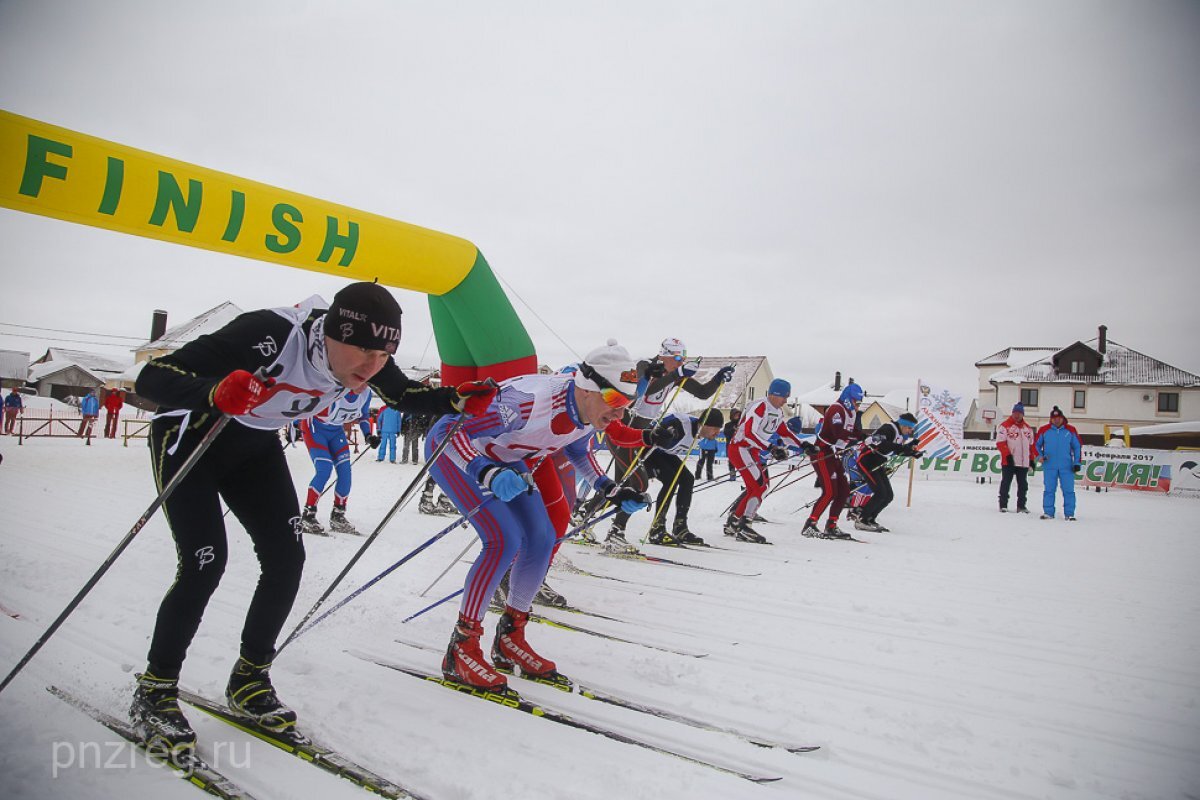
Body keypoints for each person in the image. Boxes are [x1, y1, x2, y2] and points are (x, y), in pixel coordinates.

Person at [128, 281, 496, 755]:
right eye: (363, 351)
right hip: (193, 435)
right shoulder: (269, 332)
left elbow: (401, 394)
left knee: (286, 560)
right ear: (330, 333)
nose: (372, 366)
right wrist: (214, 391)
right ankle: (155, 690)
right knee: (205, 563)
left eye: (384, 355)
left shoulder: (367, 360)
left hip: (253, 445)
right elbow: (151, 378)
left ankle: (250, 678)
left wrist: (455, 400)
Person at [426, 340, 675, 691]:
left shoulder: (588, 412)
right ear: (590, 387)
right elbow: (444, 432)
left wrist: (610, 490)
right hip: (459, 456)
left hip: (504, 458)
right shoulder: (524, 405)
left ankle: (510, 637)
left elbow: (577, 451)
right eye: (616, 401)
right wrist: (486, 472)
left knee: (543, 538)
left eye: (628, 404)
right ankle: (461, 647)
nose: (621, 414)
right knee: (503, 540)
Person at [600, 339, 733, 553]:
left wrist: (718, 378)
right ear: (664, 355)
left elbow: (702, 393)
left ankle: (584, 513)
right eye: (678, 358)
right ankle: (614, 532)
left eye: (684, 359)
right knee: (636, 484)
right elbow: (647, 390)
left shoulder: (675, 374)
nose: (681, 362)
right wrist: (677, 374)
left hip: (641, 433)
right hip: (624, 429)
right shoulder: (645, 365)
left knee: (620, 485)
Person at [725, 379, 811, 543]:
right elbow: (749, 433)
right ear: (774, 394)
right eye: (784, 396)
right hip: (740, 448)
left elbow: (784, 432)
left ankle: (735, 521)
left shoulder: (777, 412)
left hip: (751, 451)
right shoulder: (760, 406)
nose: (786, 401)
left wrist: (803, 445)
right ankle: (744, 525)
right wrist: (771, 448)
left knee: (756, 487)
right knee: (759, 486)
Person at [298, 388, 379, 535]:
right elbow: (305, 401)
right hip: (315, 428)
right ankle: (308, 515)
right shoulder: (335, 388)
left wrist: (368, 435)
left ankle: (338, 515)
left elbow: (364, 415)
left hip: (336, 431)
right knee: (324, 469)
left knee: (345, 473)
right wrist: (294, 423)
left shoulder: (365, 393)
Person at [646, 407, 723, 545]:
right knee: (670, 480)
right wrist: (665, 433)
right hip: (647, 451)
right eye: (715, 428)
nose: (717, 433)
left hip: (664, 453)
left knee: (687, 479)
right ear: (704, 424)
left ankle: (680, 527)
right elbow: (653, 429)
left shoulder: (700, 433)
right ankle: (657, 528)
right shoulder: (680, 424)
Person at [803, 383, 865, 539]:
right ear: (848, 399)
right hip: (822, 452)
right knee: (830, 491)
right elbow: (838, 432)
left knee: (843, 491)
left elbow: (852, 431)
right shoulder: (836, 409)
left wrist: (866, 437)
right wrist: (858, 438)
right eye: (855, 402)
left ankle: (831, 525)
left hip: (834, 454)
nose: (857, 406)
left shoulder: (850, 412)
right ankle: (810, 524)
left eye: (859, 403)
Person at [853, 413, 923, 532]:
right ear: (903, 425)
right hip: (867, 462)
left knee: (888, 495)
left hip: (877, 463)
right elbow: (883, 445)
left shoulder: (900, 434)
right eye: (910, 428)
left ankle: (870, 519)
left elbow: (895, 450)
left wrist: (911, 451)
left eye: (912, 429)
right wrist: (903, 448)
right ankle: (861, 519)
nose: (910, 431)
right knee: (880, 492)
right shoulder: (889, 428)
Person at [1036, 406, 1082, 520]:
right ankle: (1048, 512)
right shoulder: (1044, 430)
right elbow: (1035, 445)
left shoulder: (1071, 430)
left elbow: (1077, 447)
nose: (1056, 420)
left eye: (1058, 418)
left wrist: (1077, 462)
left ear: (1062, 418)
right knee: (1049, 490)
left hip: (1066, 466)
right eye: (1054, 418)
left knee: (1068, 491)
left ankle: (1069, 514)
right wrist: (1039, 456)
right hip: (1049, 466)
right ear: (1051, 419)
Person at [996, 401, 1037, 513]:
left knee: (1023, 485)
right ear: (1012, 413)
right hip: (1009, 461)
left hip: (1023, 462)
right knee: (1006, 483)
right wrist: (1007, 455)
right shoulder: (1005, 426)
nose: (1017, 415)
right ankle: (1003, 505)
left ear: (1023, 414)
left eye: (1019, 413)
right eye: (1015, 412)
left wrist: (1032, 460)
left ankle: (1021, 506)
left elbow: (1031, 446)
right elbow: (1000, 443)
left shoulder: (1028, 429)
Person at [721, 408, 741, 478]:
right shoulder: (728, 425)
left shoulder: (741, 423)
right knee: (731, 460)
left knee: (742, 460)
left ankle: (744, 474)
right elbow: (726, 433)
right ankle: (732, 473)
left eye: (738, 415)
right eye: (735, 415)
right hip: (730, 445)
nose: (737, 416)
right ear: (732, 415)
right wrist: (733, 429)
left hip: (740, 445)